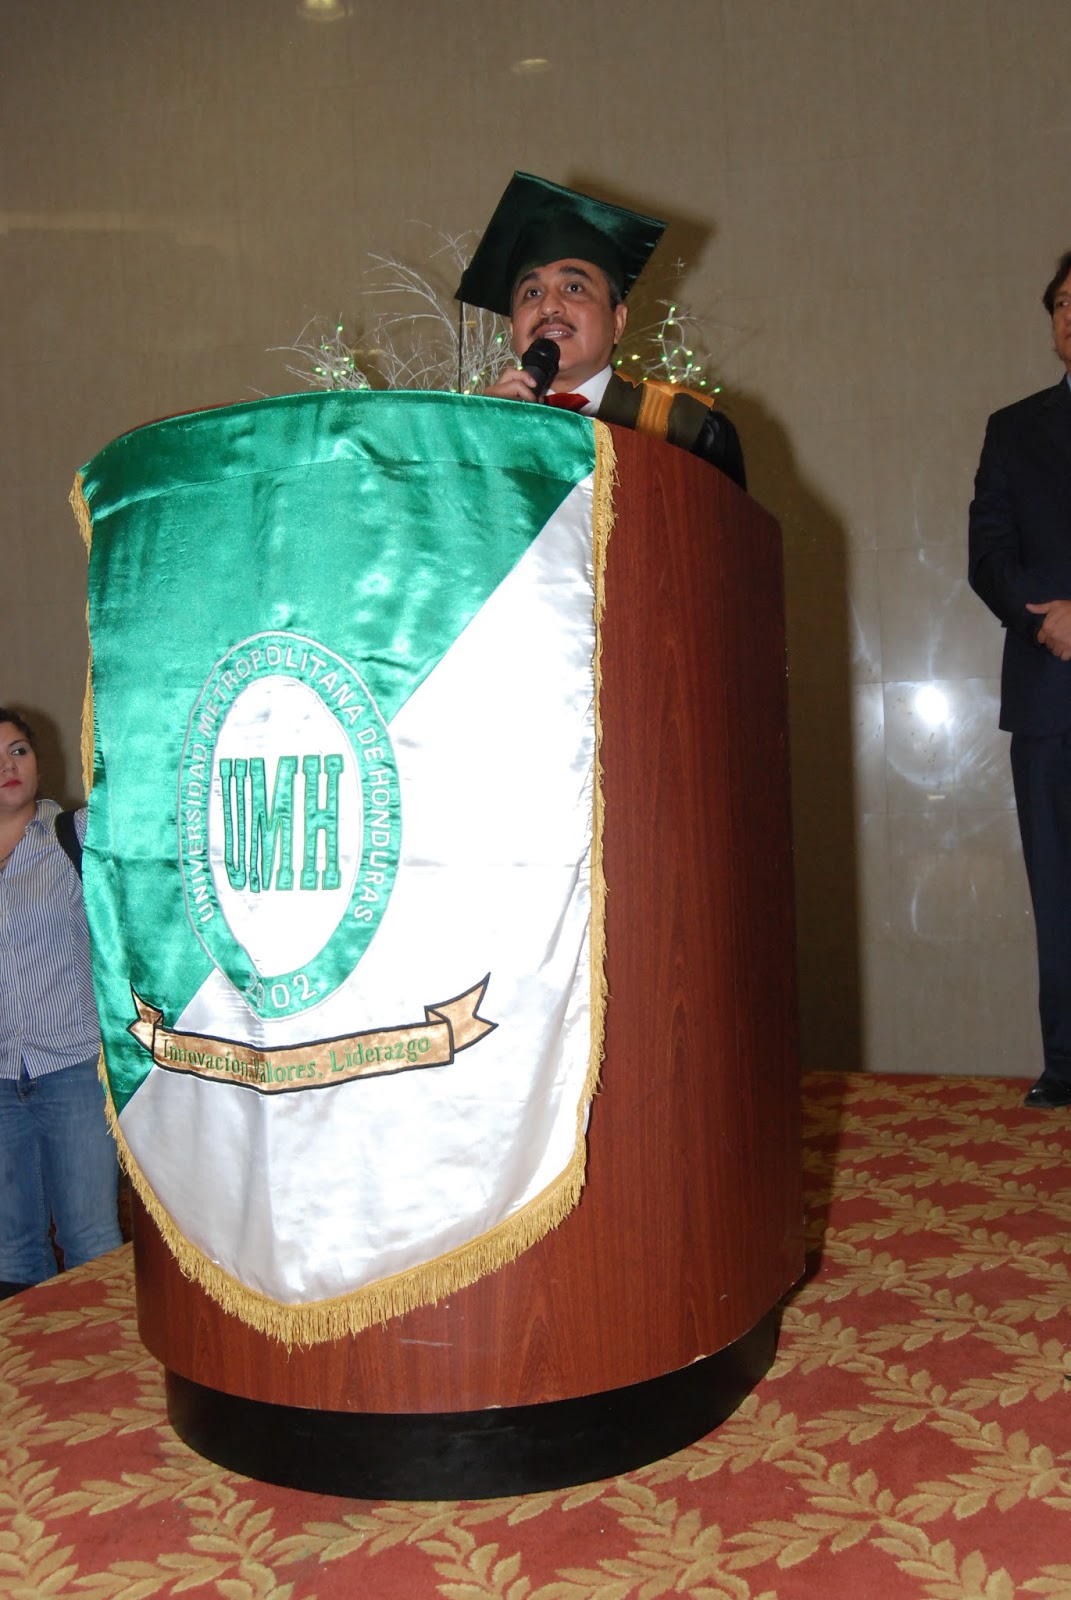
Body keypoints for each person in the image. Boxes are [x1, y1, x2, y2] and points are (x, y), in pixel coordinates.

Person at [455, 171, 746, 490]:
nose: (548, 306)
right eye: (532, 293)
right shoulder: (472, 430)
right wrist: (477, 436)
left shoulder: (685, 427)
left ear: (617, 323)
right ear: (513, 329)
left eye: (574, 287)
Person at [968, 250, 1071, 1109]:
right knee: (1058, 890)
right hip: (1048, 689)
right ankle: (1067, 1063)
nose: (1070, 316)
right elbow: (987, 552)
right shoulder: (1012, 428)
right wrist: (1044, 618)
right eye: (1061, 303)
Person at [0, 708, 122, 1294]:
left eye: (18, 750)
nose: (8, 765)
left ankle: (104, 1353)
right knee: (11, 1252)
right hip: (0, 1082)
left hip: (73, 1071)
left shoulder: (77, 836)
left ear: (37, 760)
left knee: (91, 1239)